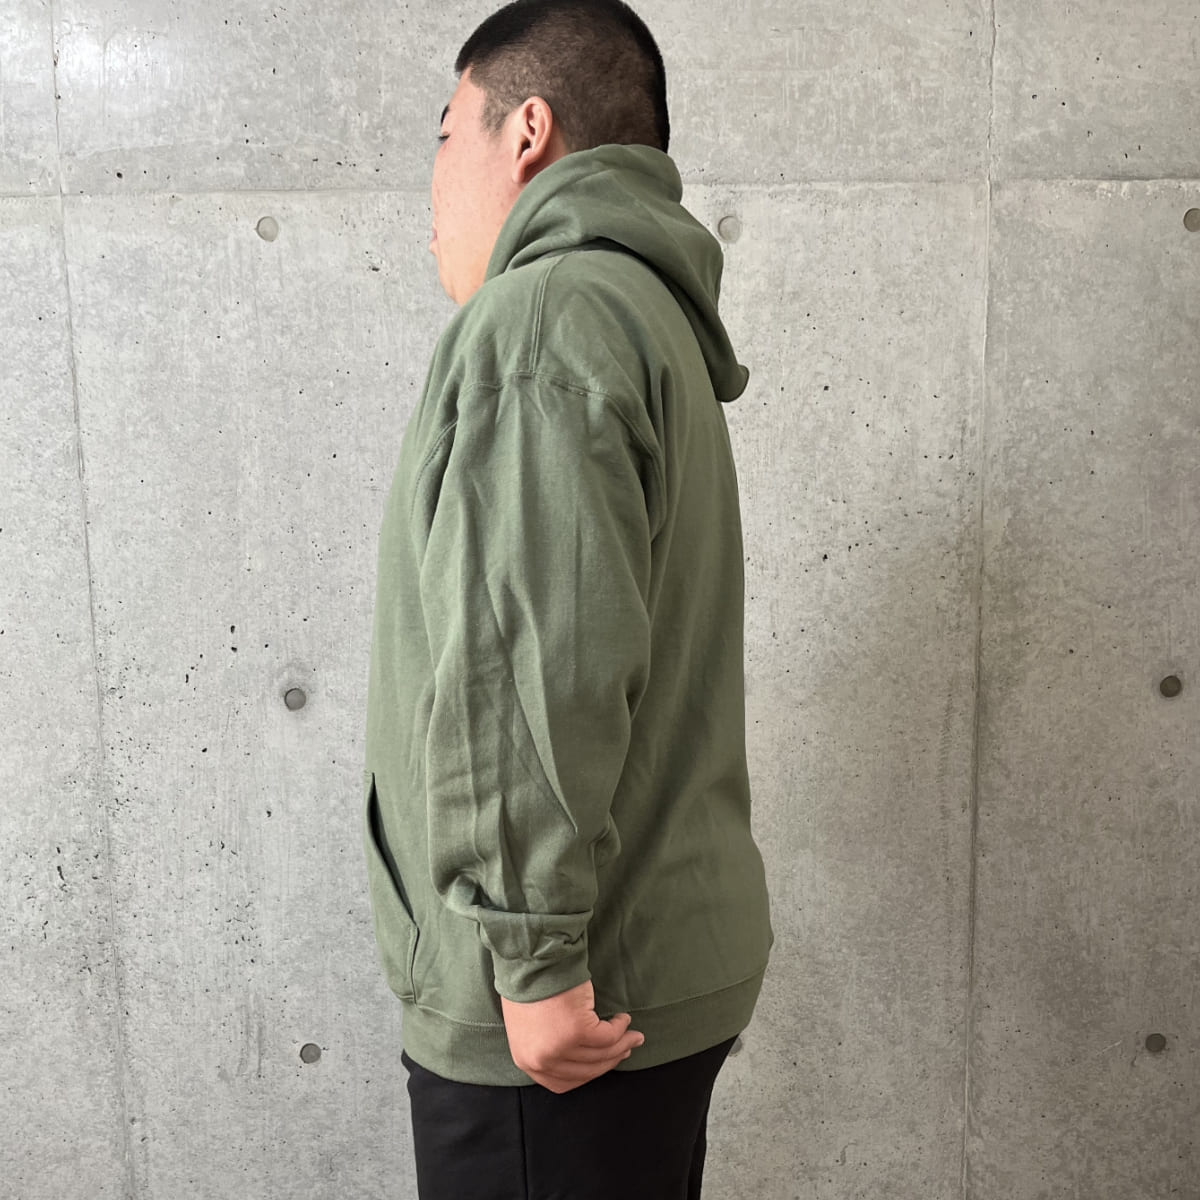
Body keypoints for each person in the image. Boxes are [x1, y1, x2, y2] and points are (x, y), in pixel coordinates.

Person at [361, 2, 773, 1196]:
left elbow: (527, 660)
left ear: (526, 131)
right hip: (647, 967)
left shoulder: (542, 321)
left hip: (555, 1014)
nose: (433, 181)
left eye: (447, 134)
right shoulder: (641, 315)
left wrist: (533, 960)